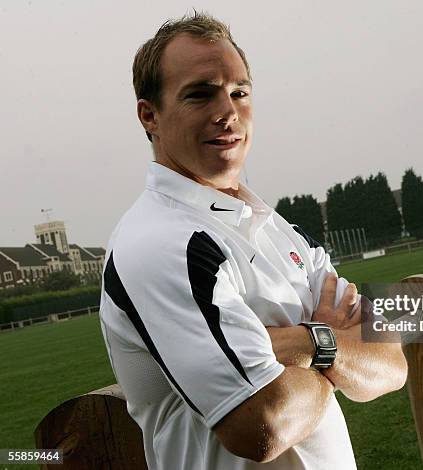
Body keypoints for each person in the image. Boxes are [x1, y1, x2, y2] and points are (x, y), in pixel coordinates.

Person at [99, 12, 407, 470]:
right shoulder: (160, 243)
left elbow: (390, 366)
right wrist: (330, 345)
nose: (227, 111)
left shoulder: (279, 229)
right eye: (200, 94)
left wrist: (303, 344)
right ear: (150, 115)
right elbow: (262, 423)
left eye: (239, 92)